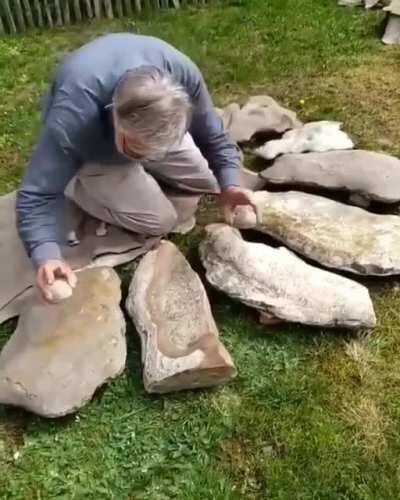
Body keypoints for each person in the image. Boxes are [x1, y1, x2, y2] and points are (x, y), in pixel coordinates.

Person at [16, 33, 255, 302]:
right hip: (94, 148)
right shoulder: (73, 118)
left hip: (145, 130)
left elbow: (214, 138)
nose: (148, 157)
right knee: (160, 220)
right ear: (113, 114)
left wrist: (231, 184)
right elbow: (37, 195)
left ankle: (147, 154)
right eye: (138, 150)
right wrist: (46, 255)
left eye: (154, 152)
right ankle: (75, 181)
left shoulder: (182, 77)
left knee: (212, 180)